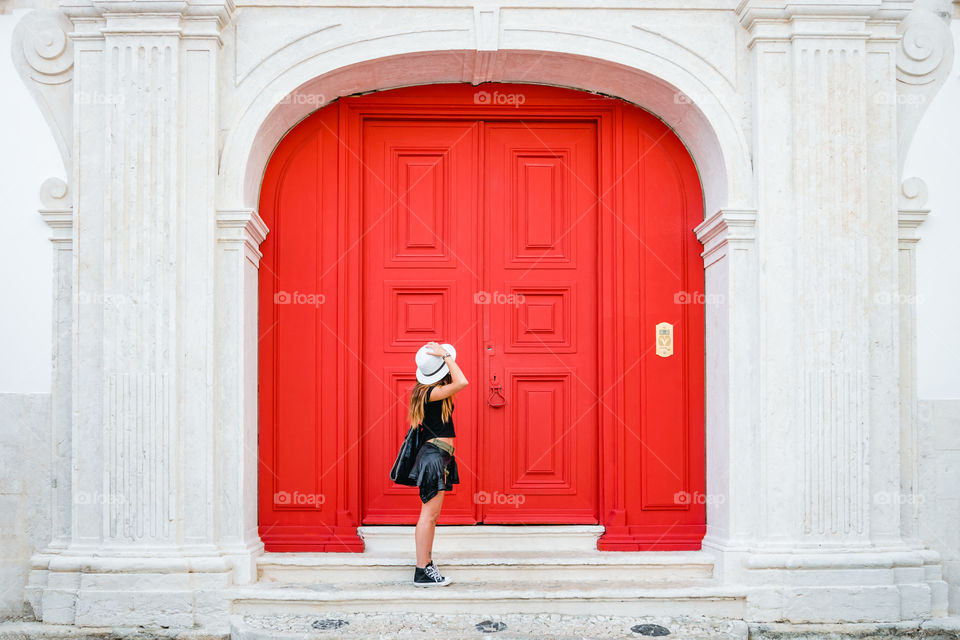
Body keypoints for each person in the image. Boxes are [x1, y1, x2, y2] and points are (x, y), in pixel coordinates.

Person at [406, 341, 468, 586]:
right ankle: (422, 570)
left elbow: (457, 383)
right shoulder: (429, 393)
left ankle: (426, 564)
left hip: (439, 455)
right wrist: (446, 357)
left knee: (431, 515)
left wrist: (444, 360)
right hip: (434, 456)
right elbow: (462, 382)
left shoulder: (431, 391)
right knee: (429, 515)